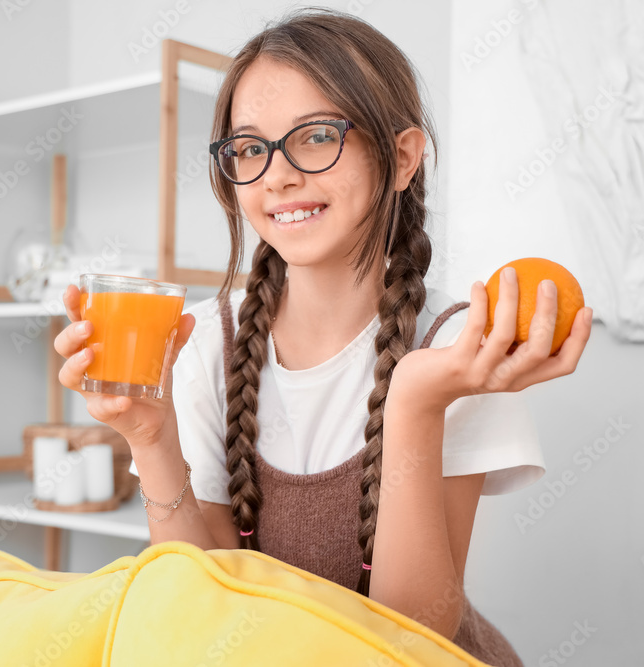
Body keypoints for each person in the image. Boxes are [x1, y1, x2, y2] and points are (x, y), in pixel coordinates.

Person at [56, 7, 593, 665]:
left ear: (400, 158)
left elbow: (411, 633)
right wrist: (152, 436)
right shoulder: (204, 341)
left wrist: (415, 403)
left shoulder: (458, 347)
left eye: (314, 136)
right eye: (250, 148)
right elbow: (213, 597)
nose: (277, 175)